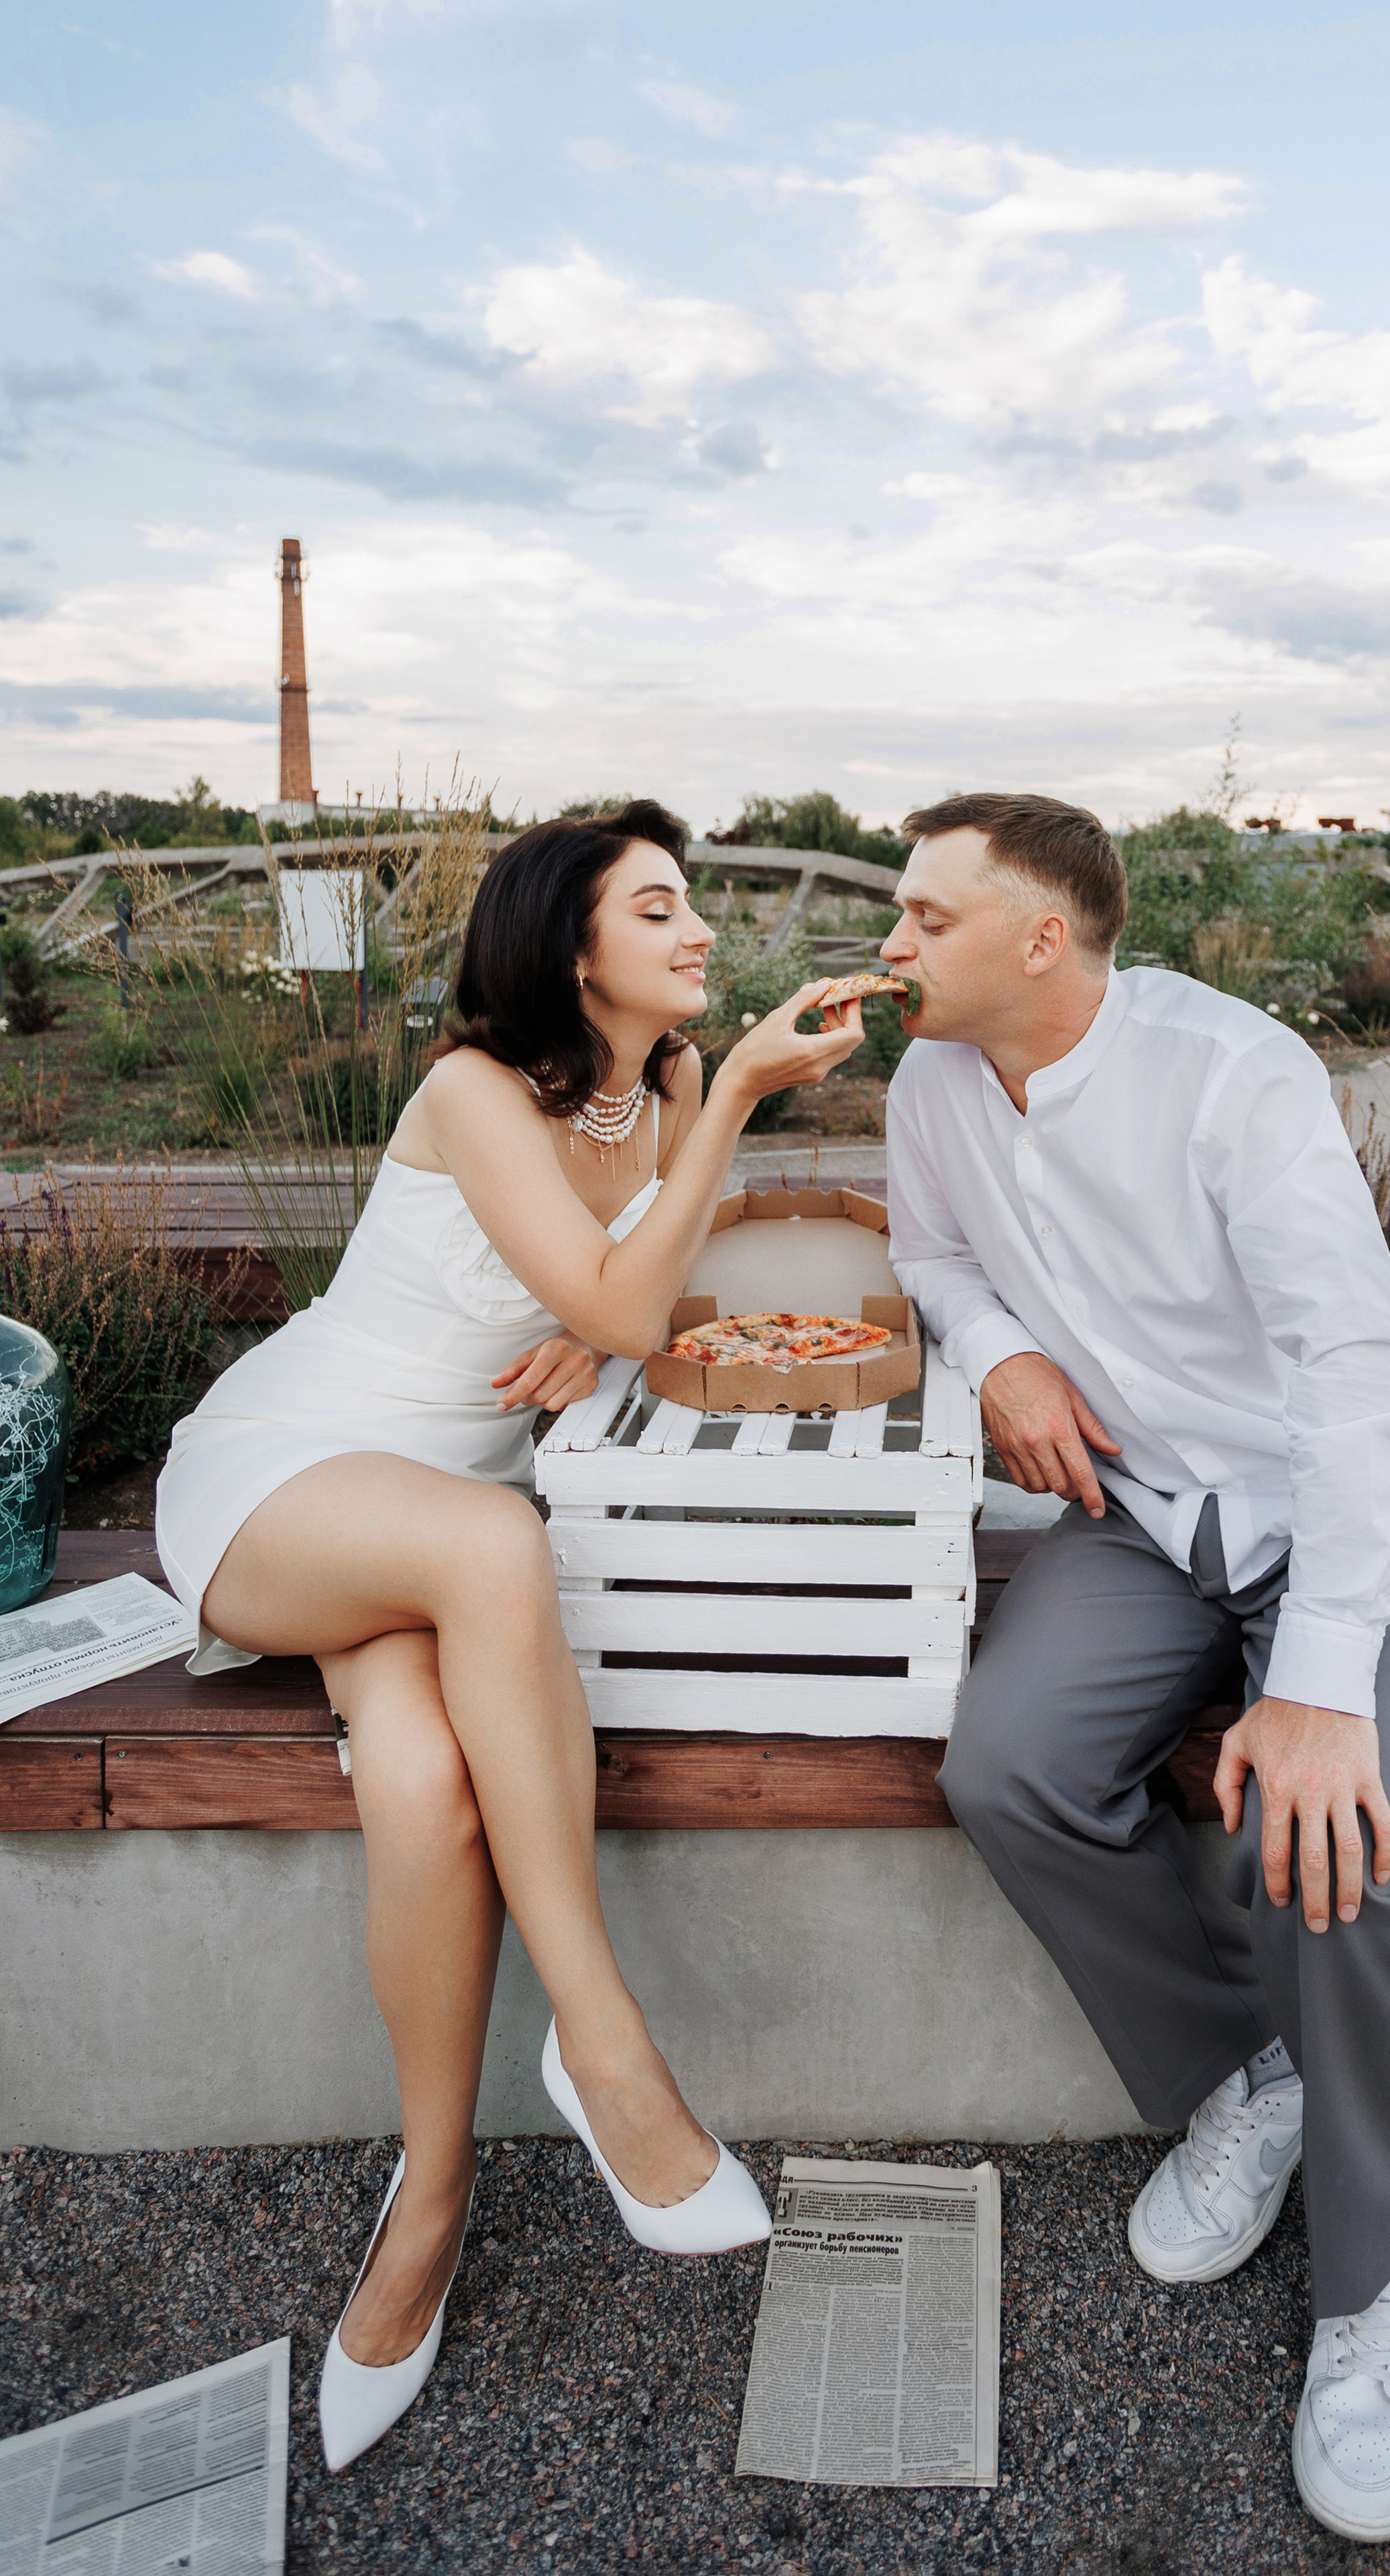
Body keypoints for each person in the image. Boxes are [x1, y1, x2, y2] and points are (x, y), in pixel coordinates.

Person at [155, 803, 864, 2471]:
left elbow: (640, 1296)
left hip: (435, 1523)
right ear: (570, 947)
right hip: (292, 1475)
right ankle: (603, 2047)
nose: (700, 936)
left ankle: (432, 2197)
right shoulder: (474, 1090)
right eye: (662, 908)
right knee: (490, 1540)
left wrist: (601, 1329)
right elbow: (622, 1295)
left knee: (419, 1788)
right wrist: (615, 1297)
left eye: (696, 907)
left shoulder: (675, 1082)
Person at [879, 792, 1390, 2544]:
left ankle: (1379, 2271)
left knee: (1339, 1851)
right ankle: (1256, 2074)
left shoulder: (1236, 1077)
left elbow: (1366, 1385)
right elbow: (929, 1251)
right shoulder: (931, 1084)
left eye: (926, 917)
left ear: (1041, 940)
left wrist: (1312, 1688)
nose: (892, 944)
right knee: (1002, 1766)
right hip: (1147, 1514)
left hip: (1348, 1517)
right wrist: (1000, 1356)